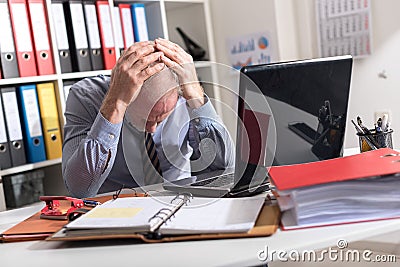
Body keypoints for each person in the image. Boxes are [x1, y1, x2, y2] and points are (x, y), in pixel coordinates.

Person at [62, 39, 234, 198]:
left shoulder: (184, 93)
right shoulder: (86, 97)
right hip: (116, 209)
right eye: (145, 119)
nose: (152, 129)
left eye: (160, 118)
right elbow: (79, 188)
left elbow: (225, 168)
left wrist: (196, 96)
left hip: (180, 201)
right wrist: (116, 103)